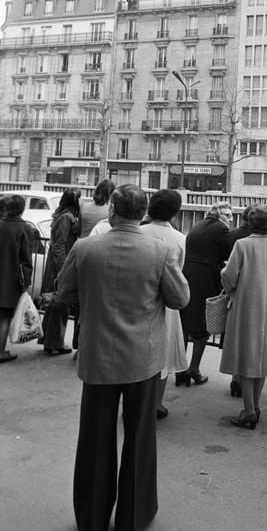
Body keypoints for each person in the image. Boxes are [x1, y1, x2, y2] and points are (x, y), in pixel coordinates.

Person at [57, 184, 189, 531]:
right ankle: (134, 515)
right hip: (143, 359)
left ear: (113, 209)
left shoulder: (86, 247)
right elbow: (180, 299)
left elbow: (64, 292)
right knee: (140, 438)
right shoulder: (160, 251)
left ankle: (92, 515)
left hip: (98, 355)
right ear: (142, 211)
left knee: (95, 440)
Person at [220, 205, 267, 429]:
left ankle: (249, 410)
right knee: (261, 357)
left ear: (250, 223)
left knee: (245, 357)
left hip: (245, 306)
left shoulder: (243, 245)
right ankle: (255, 406)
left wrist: (227, 283)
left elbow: (229, 277)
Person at [139, 189, 188, 419]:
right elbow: (179, 270)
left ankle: (137, 400)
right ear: (174, 213)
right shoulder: (179, 239)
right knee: (163, 356)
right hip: (166, 302)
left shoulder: (139, 232)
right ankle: (156, 403)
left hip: (138, 298)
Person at [179, 201, 232, 386]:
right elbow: (228, 254)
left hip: (188, 275)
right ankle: (194, 369)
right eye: (227, 215)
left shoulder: (198, 225)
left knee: (185, 323)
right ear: (217, 214)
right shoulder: (221, 229)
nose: (230, 219)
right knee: (204, 324)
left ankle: (180, 369)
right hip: (206, 278)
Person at [40, 187, 81, 355]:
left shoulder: (62, 215)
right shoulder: (66, 218)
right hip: (60, 264)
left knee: (54, 304)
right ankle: (55, 342)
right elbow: (59, 245)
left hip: (56, 263)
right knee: (60, 303)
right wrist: (63, 269)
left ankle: (49, 340)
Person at [0, 195, 34, 363]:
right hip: (10, 279)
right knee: (5, 316)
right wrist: (26, 283)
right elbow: (26, 258)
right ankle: (0, 352)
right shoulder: (24, 229)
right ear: (21, 208)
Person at [227, 205, 253, 397]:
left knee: (236, 336)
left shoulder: (234, 236)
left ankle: (236, 377)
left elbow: (229, 271)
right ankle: (249, 380)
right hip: (258, 297)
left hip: (237, 293)